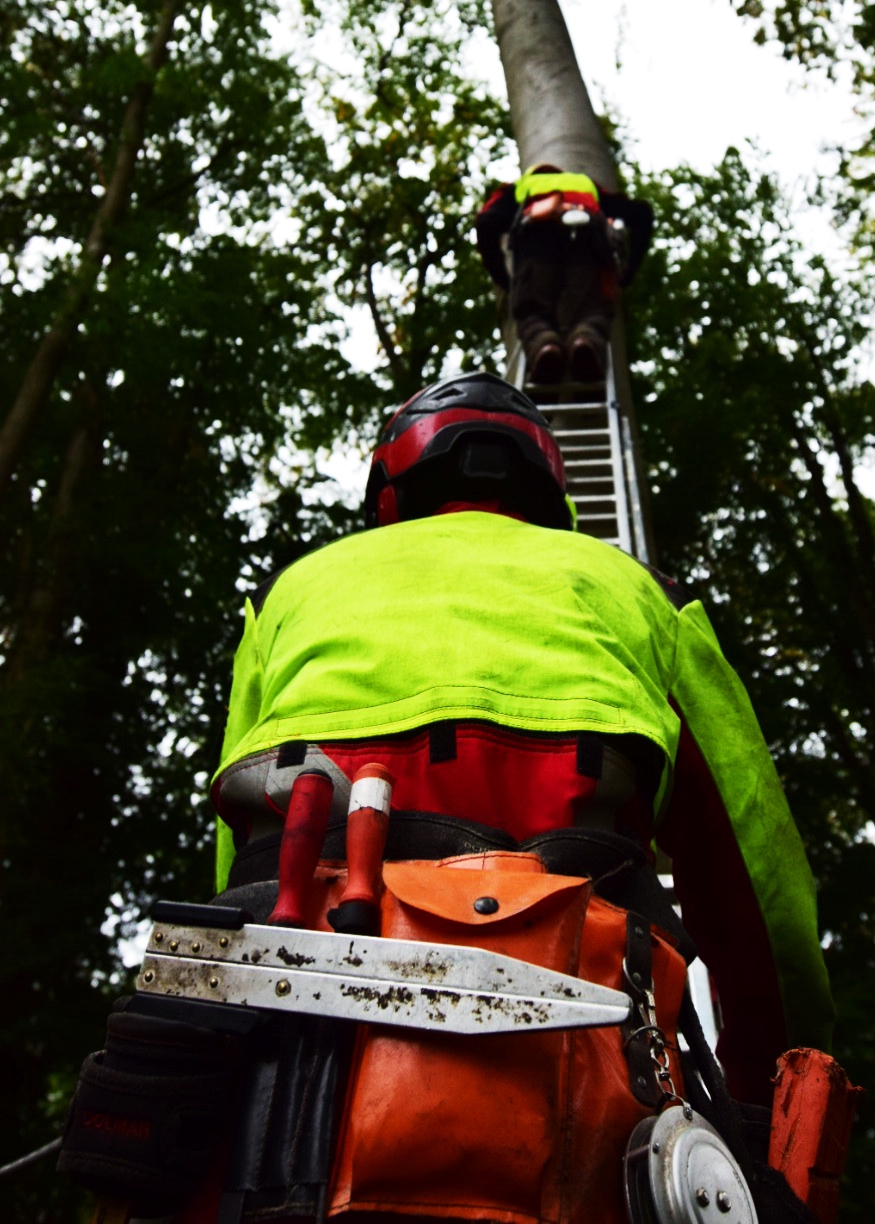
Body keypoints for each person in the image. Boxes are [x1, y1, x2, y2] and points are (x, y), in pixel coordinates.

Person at [213, 371, 834, 1109]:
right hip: (583, 1027)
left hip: (295, 1014)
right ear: (551, 487)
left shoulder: (295, 591)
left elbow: (241, 853)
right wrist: (783, 1085)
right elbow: (755, 869)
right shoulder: (631, 585)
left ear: (390, 488)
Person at [474, 164, 653, 384]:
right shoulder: (586, 185)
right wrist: (628, 273)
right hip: (590, 243)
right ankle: (585, 342)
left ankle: (544, 346)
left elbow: (486, 221)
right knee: (592, 310)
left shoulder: (521, 186)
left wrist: (503, 279)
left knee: (532, 311)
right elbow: (642, 212)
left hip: (536, 244)